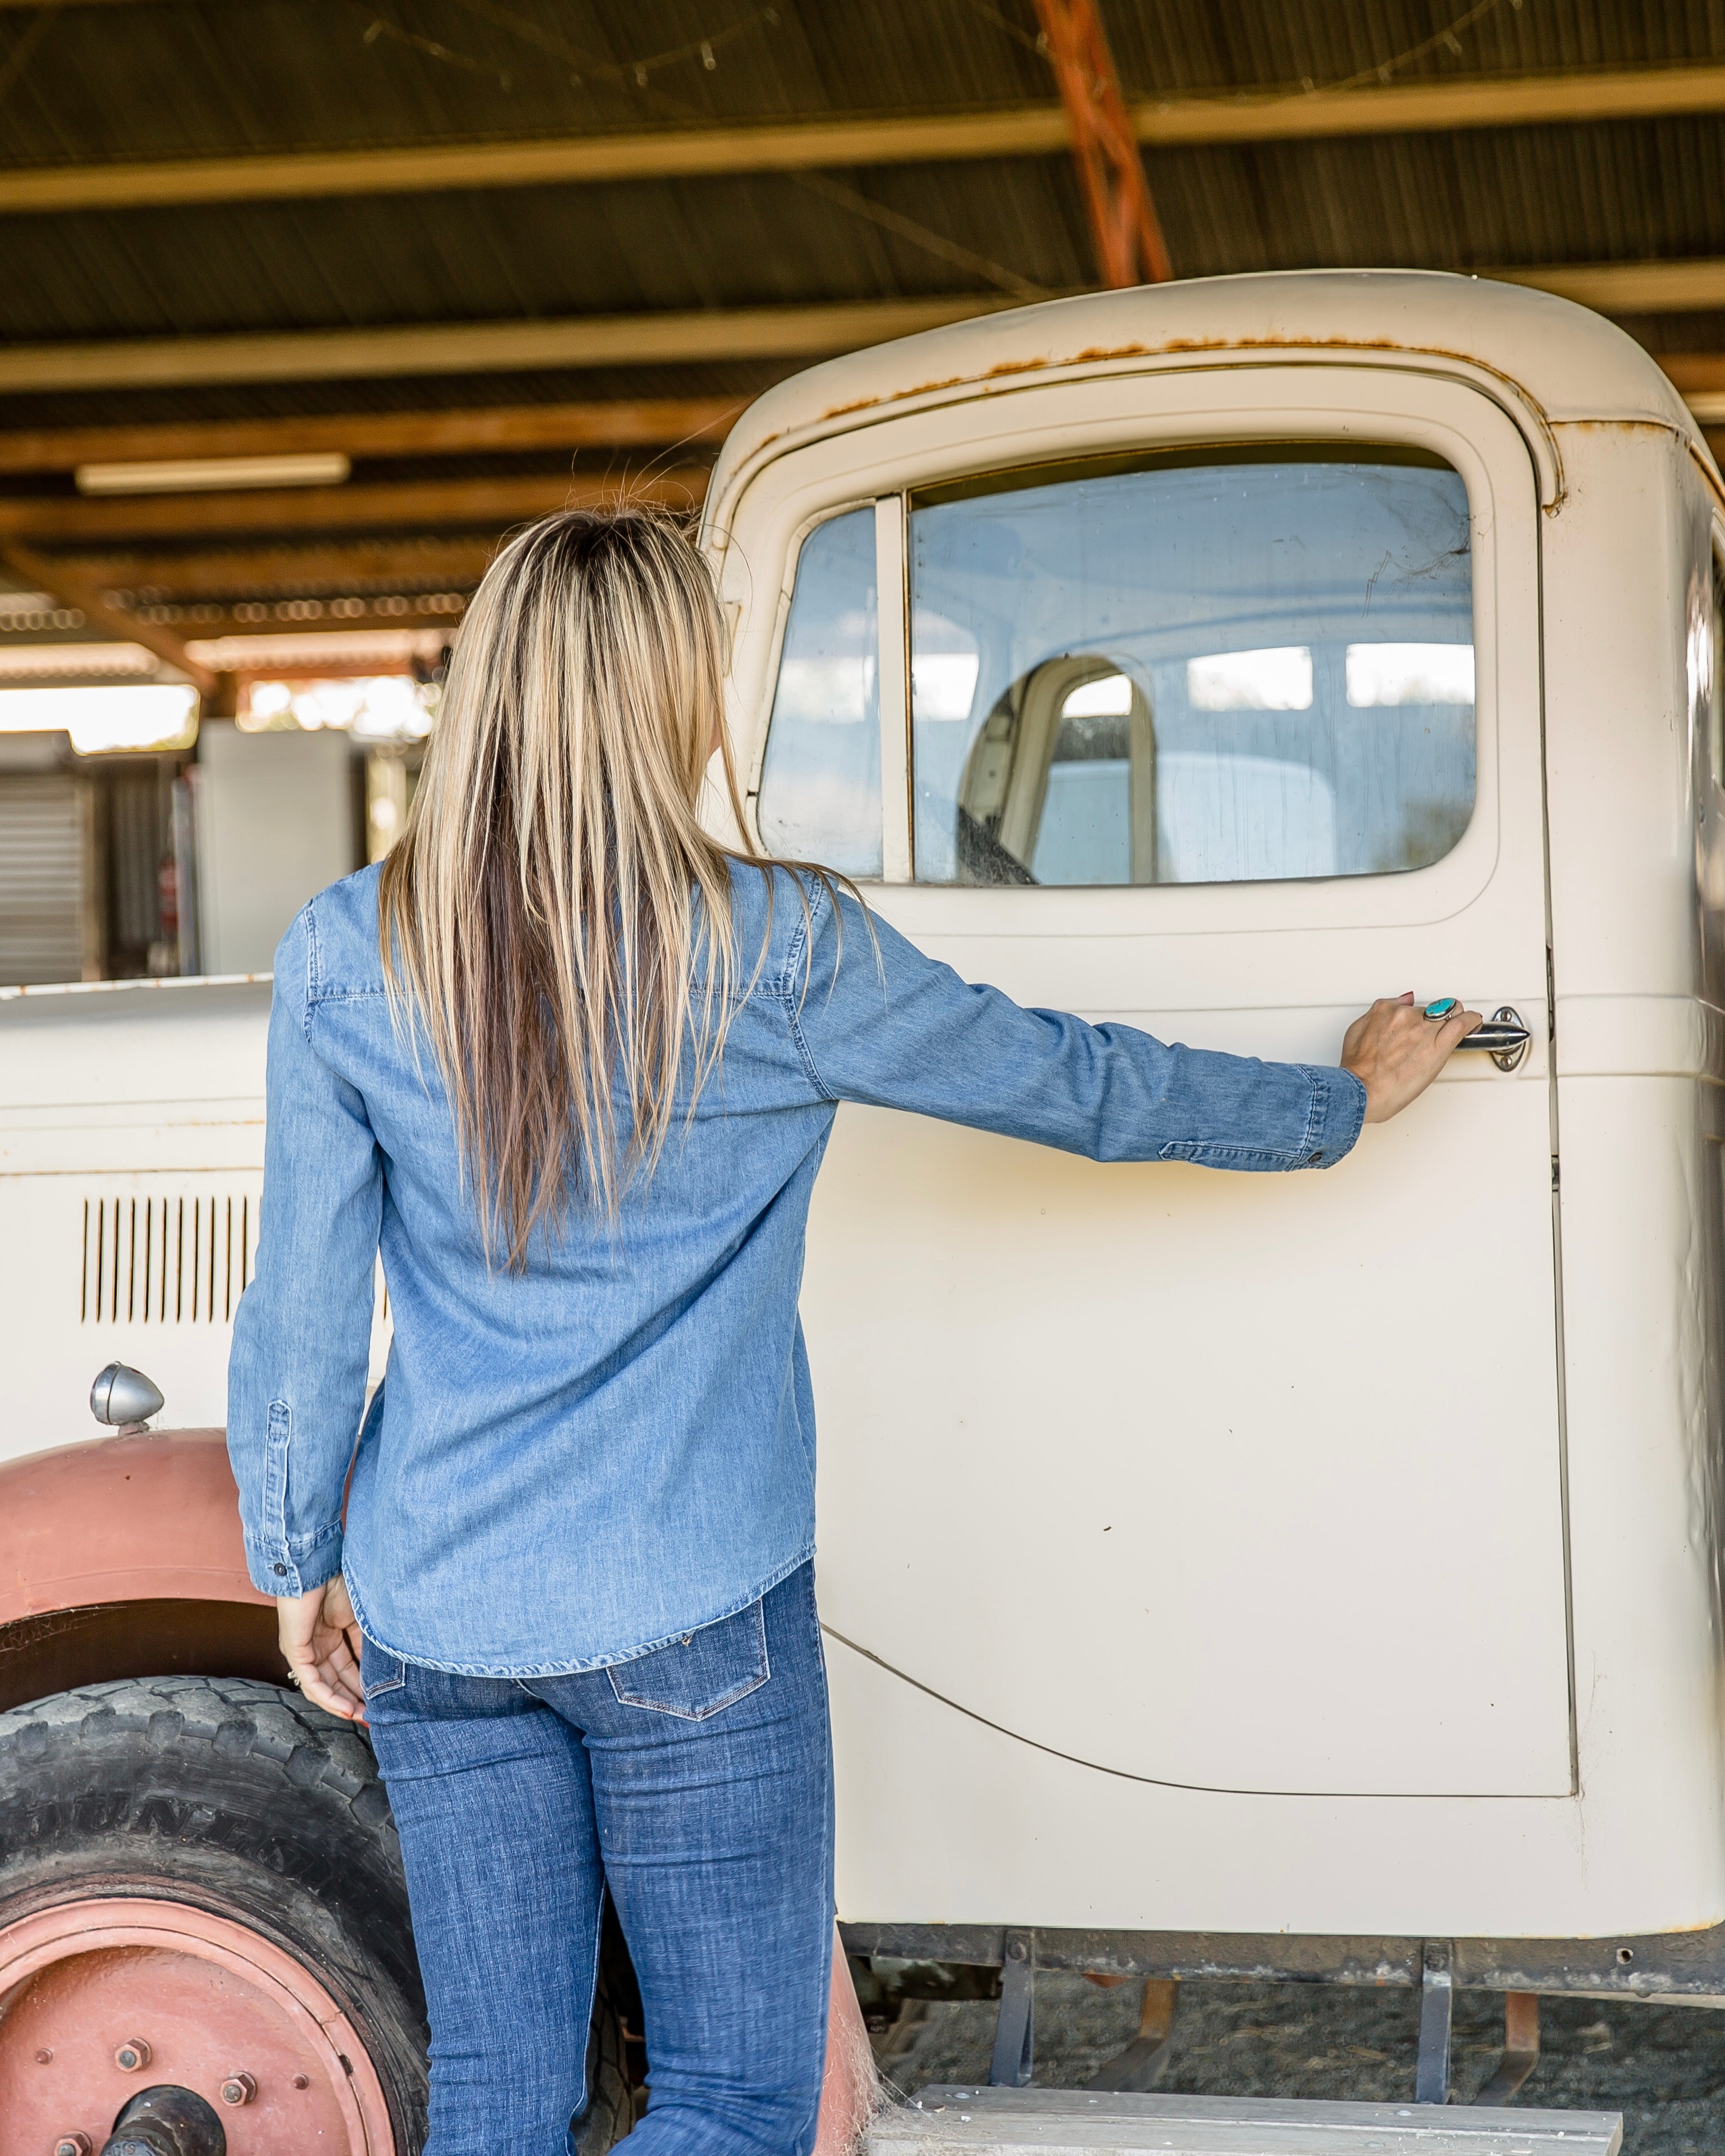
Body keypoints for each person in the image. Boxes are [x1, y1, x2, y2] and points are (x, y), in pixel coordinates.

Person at [227, 507, 1481, 2156]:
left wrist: (295, 1551)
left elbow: (302, 1298)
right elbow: (1069, 1081)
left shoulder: (347, 952)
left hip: (444, 1611)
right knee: (737, 2106)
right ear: (675, 697)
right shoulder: (778, 949)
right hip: (691, 1611)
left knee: (498, 2099)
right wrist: (1337, 1104)